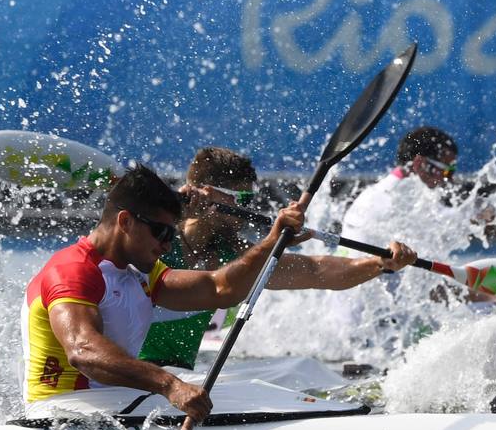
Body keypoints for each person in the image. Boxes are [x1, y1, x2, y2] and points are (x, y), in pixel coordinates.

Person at [21, 165, 309, 421]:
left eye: (172, 235)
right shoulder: (73, 270)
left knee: (249, 393)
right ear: (125, 222)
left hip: (115, 403)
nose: (168, 246)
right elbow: (84, 351)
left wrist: (272, 241)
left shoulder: (140, 272)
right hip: (63, 412)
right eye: (161, 233)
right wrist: (170, 385)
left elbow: (220, 289)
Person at [138, 147, 415, 369]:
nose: (249, 208)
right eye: (242, 199)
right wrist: (173, 206)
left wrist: (381, 264)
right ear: (208, 194)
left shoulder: (233, 254)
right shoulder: (151, 240)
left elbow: (315, 271)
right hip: (124, 380)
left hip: (172, 378)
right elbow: (116, 216)